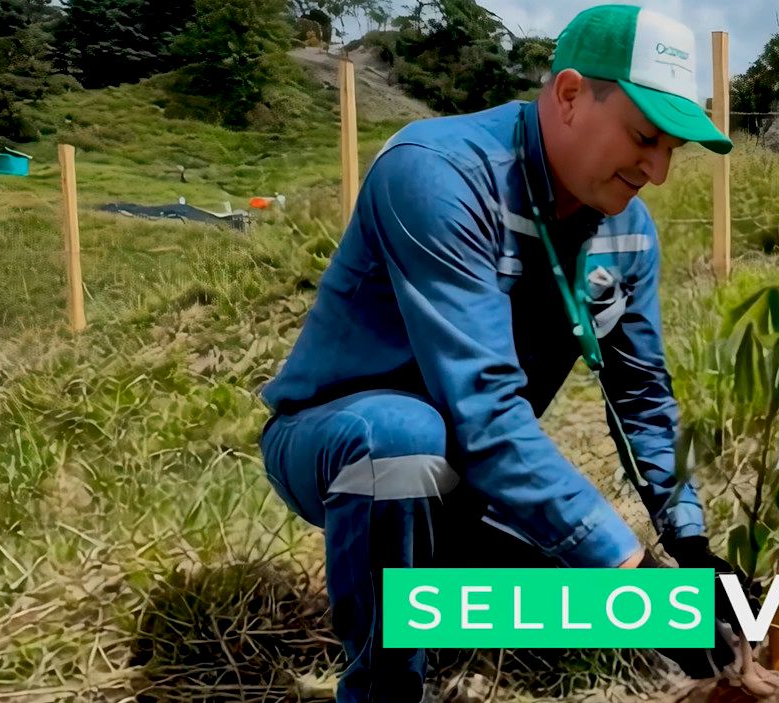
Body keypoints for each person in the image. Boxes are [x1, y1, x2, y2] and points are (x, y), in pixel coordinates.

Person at [257, 6, 746, 701]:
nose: (658, 172)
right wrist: (637, 578)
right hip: (342, 440)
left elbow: (640, 396)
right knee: (405, 441)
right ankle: (382, 684)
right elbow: (483, 408)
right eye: (645, 137)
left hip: (472, 469)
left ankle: (433, 603)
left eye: (674, 148)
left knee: (576, 596)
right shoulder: (440, 175)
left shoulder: (625, 232)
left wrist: (689, 546)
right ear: (572, 94)